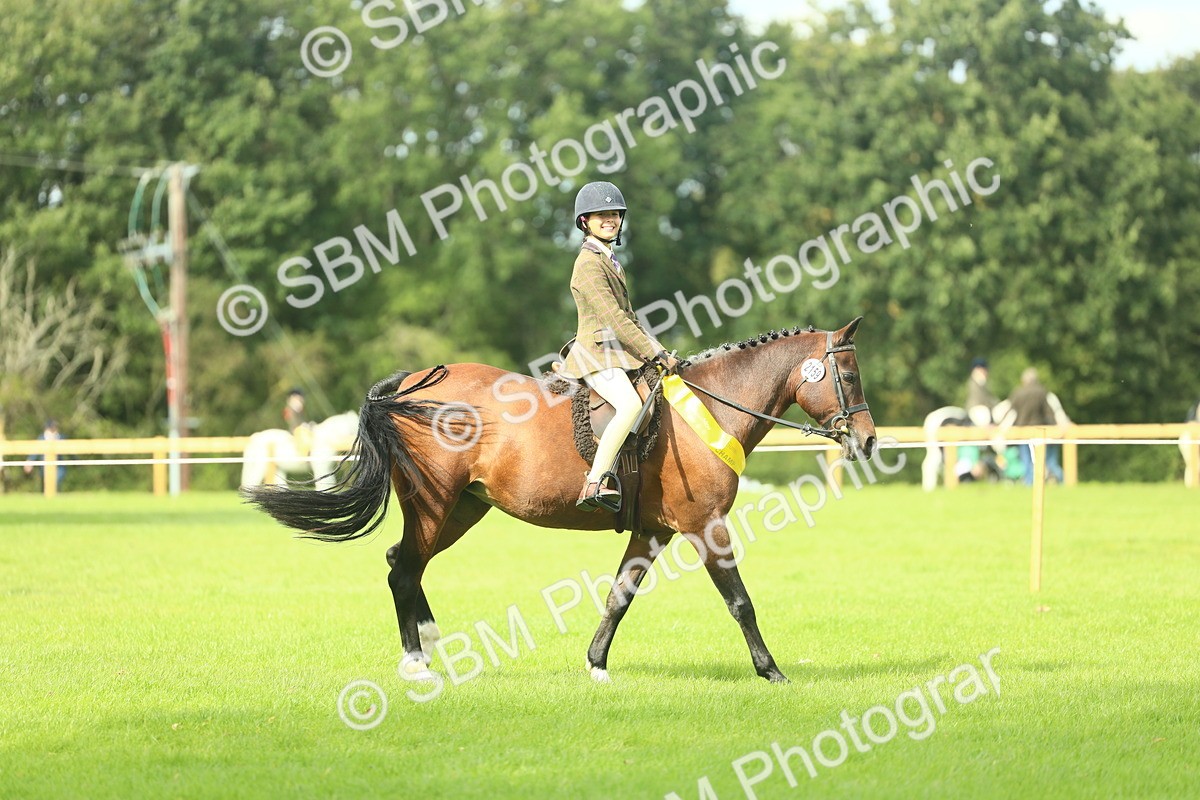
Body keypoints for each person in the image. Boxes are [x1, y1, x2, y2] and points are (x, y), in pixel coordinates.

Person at [557, 181, 678, 510]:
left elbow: (630, 318)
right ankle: (595, 480)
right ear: (585, 222)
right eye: (601, 215)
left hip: (618, 354)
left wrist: (655, 350)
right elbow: (613, 318)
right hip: (596, 355)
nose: (609, 219)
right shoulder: (588, 264)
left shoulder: (609, 260)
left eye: (614, 214)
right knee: (629, 407)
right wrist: (654, 352)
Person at [1000, 367, 1070, 485]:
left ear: (1024, 380)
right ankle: (1063, 481)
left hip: (1023, 433)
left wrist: (1001, 429)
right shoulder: (1043, 392)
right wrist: (1058, 428)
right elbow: (1051, 412)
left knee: (1027, 461)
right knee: (1048, 461)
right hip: (1042, 431)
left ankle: (1029, 482)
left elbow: (1010, 413)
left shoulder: (1018, 393)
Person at [23, 419, 68, 489]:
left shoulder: (61, 437)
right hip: (45, 466)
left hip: (59, 466)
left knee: (56, 481)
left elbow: (70, 450)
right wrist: (29, 461)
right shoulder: (41, 438)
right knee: (46, 485)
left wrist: (77, 461)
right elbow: (35, 451)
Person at [964, 357, 997, 427]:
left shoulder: (982, 382)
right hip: (977, 411)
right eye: (984, 370)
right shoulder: (977, 382)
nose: (986, 372)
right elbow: (984, 399)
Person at [283, 388, 313, 456]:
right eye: (299, 398)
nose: (301, 400)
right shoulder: (290, 409)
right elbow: (293, 422)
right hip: (295, 430)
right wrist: (303, 426)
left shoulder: (299, 409)